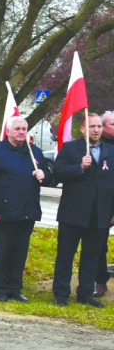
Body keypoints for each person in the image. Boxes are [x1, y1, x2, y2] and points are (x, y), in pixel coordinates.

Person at [0, 117, 52, 302]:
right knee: (4, 252)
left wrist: (45, 174)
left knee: (20, 253)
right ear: (8, 131)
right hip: (4, 212)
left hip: (27, 211)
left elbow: (48, 175)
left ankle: (15, 288)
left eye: (24, 129)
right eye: (17, 128)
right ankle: (1, 289)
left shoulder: (34, 152)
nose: (21, 132)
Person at [51, 113, 114, 308]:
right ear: (82, 129)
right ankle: (61, 293)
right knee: (65, 255)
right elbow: (57, 173)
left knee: (91, 256)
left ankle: (85, 293)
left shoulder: (111, 151)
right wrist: (79, 167)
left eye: (98, 127)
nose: (96, 130)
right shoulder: (70, 149)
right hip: (73, 213)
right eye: (92, 126)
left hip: (100, 214)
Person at [94, 110, 114, 296]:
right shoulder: (98, 147)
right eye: (112, 125)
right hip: (102, 207)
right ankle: (100, 280)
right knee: (99, 244)